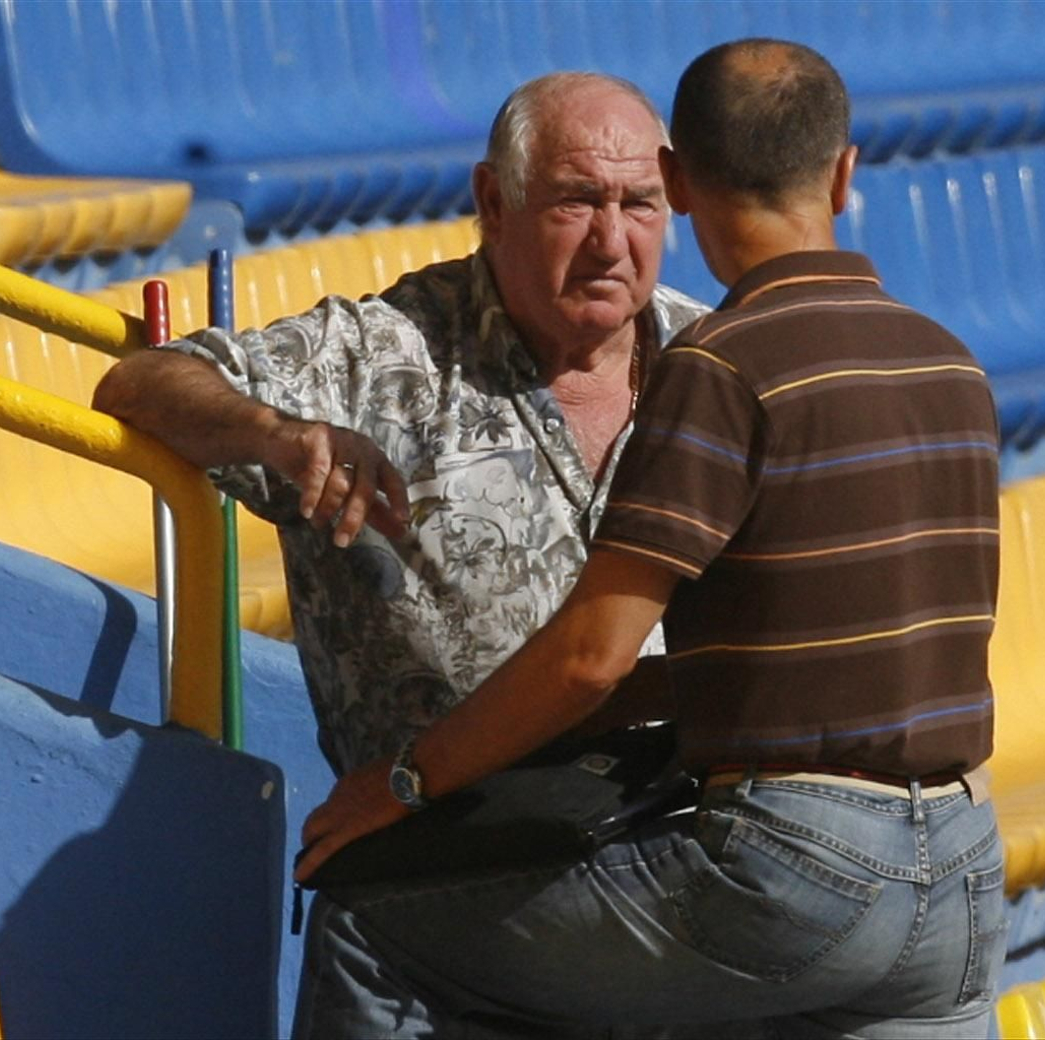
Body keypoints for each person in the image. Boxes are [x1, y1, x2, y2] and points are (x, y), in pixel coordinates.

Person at [295, 38, 1007, 1039]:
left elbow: (591, 655)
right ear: (844, 175)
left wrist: (408, 780)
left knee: (375, 921)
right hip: (962, 870)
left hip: (792, 873)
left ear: (671, 183)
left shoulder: (722, 361)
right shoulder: (947, 362)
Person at [91, 72, 709, 1035]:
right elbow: (144, 380)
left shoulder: (714, 366)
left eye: (639, 204)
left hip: (657, 894)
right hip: (438, 893)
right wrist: (281, 437)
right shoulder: (385, 356)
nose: (611, 239)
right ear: (493, 203)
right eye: (576, 201)